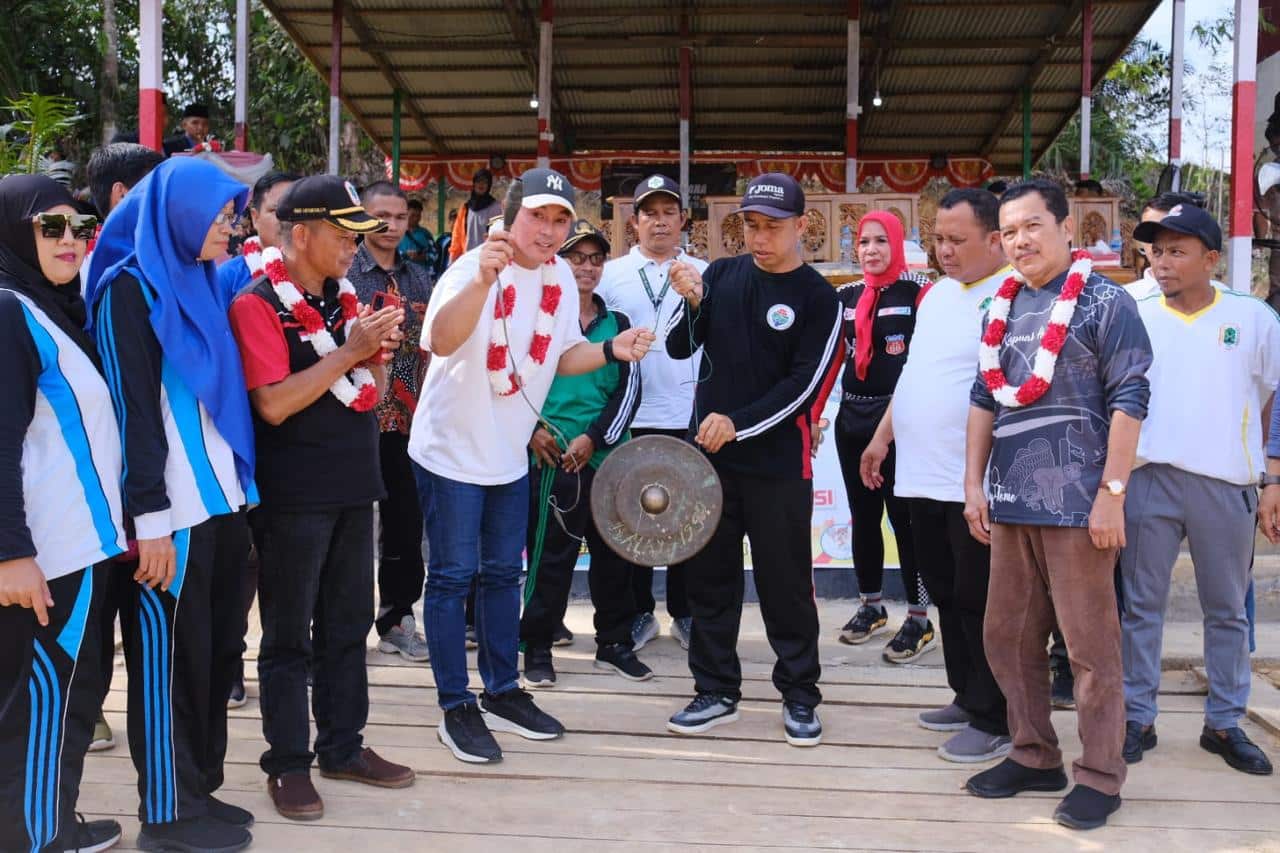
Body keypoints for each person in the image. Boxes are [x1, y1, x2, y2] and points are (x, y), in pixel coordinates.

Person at [408, 168, 654, 764]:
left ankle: (501, 691)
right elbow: (440, 341)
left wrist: (610, 349)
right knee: (452, 577)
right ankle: (454, 705)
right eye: (536, 217)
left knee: (502, 575)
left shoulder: (558, 279)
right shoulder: (471, 269)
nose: (547, 231)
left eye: (559, 220)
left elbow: (559, 355)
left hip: (508, 455)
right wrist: (482, 281)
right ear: (510, 215)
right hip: (451, 452)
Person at [961, 179, 1151, 830]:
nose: (1020, 240)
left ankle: (1100, 774)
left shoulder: (1106, 301)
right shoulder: (1000, 304)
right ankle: (1033, 753)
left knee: (1089, 648)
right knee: (1007, 636)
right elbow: (983, 397)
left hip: (1080, 506)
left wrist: (1112, 493)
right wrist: (973, 484)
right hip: (1012, 500)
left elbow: (1130, 398)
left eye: (1032, 226)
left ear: (1068, 229)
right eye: (1010, 230)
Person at [227, 175, 416, 820]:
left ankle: (343, 745)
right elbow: (274, 404)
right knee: (288, 637)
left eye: (357, 237)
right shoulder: (258, 303)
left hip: (354, 486)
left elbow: (374, 394)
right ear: (300, 234)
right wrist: (352, 351)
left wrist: (376, 354)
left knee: (348, 626)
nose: (353, 248)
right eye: (343, 235)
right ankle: (287, 763)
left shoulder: (345, 300)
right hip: (293, 497)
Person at [85, 157, 258, 851]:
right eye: (220, 214)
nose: (230, 227)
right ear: (179, 212)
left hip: (219, 501)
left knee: (212, 656)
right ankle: (166, 814)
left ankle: (197, 789)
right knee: (164, 666)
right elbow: (133, 412)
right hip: (169, 516)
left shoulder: (199, 276)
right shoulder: (127, 288)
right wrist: (149, 522)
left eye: (232, 215)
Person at [663, 173, 841, 747]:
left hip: (777, 467)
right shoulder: (722, 274)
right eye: (751, 227)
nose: (760, 238)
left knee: (785, 584)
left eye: (772, 227)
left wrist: (738, 424)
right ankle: (715, 689)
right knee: (709, 581)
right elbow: (680, 346)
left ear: (802, 226)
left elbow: (804, 388)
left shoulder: (819, 299)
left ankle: (799, 694)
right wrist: (693, 302)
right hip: (710, 464)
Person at [1121, 205, 1276, 775]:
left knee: (1227, 609)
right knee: (1140, 607)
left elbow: (1276, 394)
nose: (1161, 262)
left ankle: (1225, 722)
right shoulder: (1132, 311)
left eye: (1176, 251)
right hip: (1147, 479)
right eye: (1156, 251)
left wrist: (1272, 477)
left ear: (1211, 259)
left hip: (1225, 483)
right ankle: (1136, 717)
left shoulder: (1252, 317)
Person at [860, 188, 1013, 763]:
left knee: (981, 598)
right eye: (938, 239)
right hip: (920, 474)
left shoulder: (1014, 295)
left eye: (957, 240)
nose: (944, 251)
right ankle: (967, 696)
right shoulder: (938, 295)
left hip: (973, 482)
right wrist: (882, 436)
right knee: (945, 592)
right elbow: (916, 373)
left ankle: (997, 715)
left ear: (994, 239)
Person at [0, 174, 125, 853]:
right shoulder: (8, 311)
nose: (70, 238)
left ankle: (46, 823)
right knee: (46, 702)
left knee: (54, 699)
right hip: (46, 555)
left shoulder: (51, 308)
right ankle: (36, 837)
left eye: (79, 225)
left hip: (73, 545)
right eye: (50, 227)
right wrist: (11, 553)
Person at [521, 219, 647, 688]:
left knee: (616, 556)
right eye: (576, 258)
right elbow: (514, 378)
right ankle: (537, 646)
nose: (587, 267)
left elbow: (629, 391)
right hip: (553, 454)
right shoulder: (539, 316)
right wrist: (531, 430)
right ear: (558, 262)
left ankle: (614, 644)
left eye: (595, 259)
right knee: (550, 557)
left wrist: (595, 437)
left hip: (607, 457)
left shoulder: (620, 324)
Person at [596, 173, 709, 651]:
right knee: (631, 520)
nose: (659, 222)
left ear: (683, 219)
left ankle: (685, 612)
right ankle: (638, 612)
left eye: (668, 213)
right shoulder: (610, 275)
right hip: (629, 414)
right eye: (649, 213)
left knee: (687, 518)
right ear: (634, 222)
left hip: (688, 413)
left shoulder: (705, 272)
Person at [81, 140, 165, 753]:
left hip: (133, 471)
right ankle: (85, 711)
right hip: (99, 473)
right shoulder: (103, 274)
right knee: (93, 610)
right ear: (122, 196)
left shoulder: (150, 267)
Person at [832, 211, 931, 661]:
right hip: (852, 417)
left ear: (897, 244)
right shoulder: (846, 296)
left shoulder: (919, 293)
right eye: (864, 242)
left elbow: (924, 364)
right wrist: (814, 417)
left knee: (905, 521)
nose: (871, 250)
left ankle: (919, 619)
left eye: (880, 241)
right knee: (863, 516)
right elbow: (832, 361)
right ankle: (871, 605)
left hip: (899, 420)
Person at [346, 180, 434, 663]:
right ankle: (344, 625)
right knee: (351, 526)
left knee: (405, 522)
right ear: (361, 216)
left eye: (401, 217)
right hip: (354, 419)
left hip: (410, 421)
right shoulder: (344, 272)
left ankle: (398, 617)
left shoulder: (421, 278)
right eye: (381, 216)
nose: (392, 226)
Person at [216, 171, 299, 308]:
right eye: (277, 210)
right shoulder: (228, 277)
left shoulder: (320, 272)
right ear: (255, 217)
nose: (287, 220)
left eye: (296, 211)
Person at [447, 168, 502, 262]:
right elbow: (457, 237)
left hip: (487, 259)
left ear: (489, 185)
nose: (481, 184)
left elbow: (498, 234)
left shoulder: (496, 208)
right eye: (478, 181)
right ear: (474, 183)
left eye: (485, 182)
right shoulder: (466, 208)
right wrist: (452, 261)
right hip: (467, 259)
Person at [399, 198, 438, 272]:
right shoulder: (395, 233)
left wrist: (422, 257)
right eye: (412, 215)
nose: (416, 219)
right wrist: (404, 255)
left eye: (418, 215)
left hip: (421, 275)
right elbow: (386, 255)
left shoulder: (425, 234)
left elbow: (435, 255)